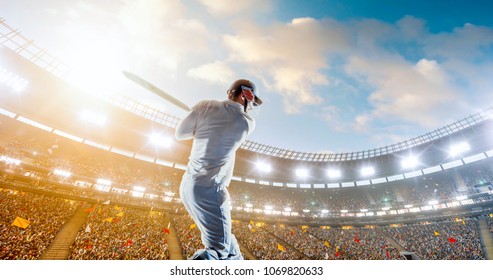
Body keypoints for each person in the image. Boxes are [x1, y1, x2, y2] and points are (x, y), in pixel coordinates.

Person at [175, 79, 262, 260]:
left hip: (187, 186)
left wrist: (198, 115)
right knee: (218, 250)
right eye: (252, 101)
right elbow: (223, 126)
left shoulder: (204, 105)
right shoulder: (246, 122)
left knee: (230, 245)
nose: (252, 106)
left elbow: (180, 133)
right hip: (211, 191)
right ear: (246, 95)